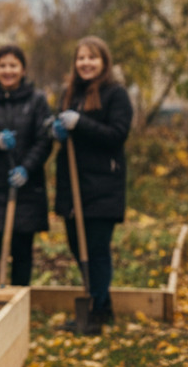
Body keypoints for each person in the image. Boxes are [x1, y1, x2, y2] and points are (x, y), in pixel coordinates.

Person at [50, 36, 132, 332]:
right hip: (73, 185)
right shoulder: (70, 93)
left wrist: (80, 123)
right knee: (77, 246)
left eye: (92, 58)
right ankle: (102, 305)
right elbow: (60, 127)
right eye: (81, 58)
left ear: (104, 62)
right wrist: (57, 130)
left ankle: (97, 309)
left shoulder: (116, 94)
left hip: (102, 186)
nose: (86, 63)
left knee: (95, 248)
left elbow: (117, 135)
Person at [0, 44, 54, 286]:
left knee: (23, 252)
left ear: (23, 69)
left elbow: (44, 140)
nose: (8, 70)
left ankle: (17, 305)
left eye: (13, 65)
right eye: (2, 65)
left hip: (26, 189)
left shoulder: (37, 101)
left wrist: (27, 167)